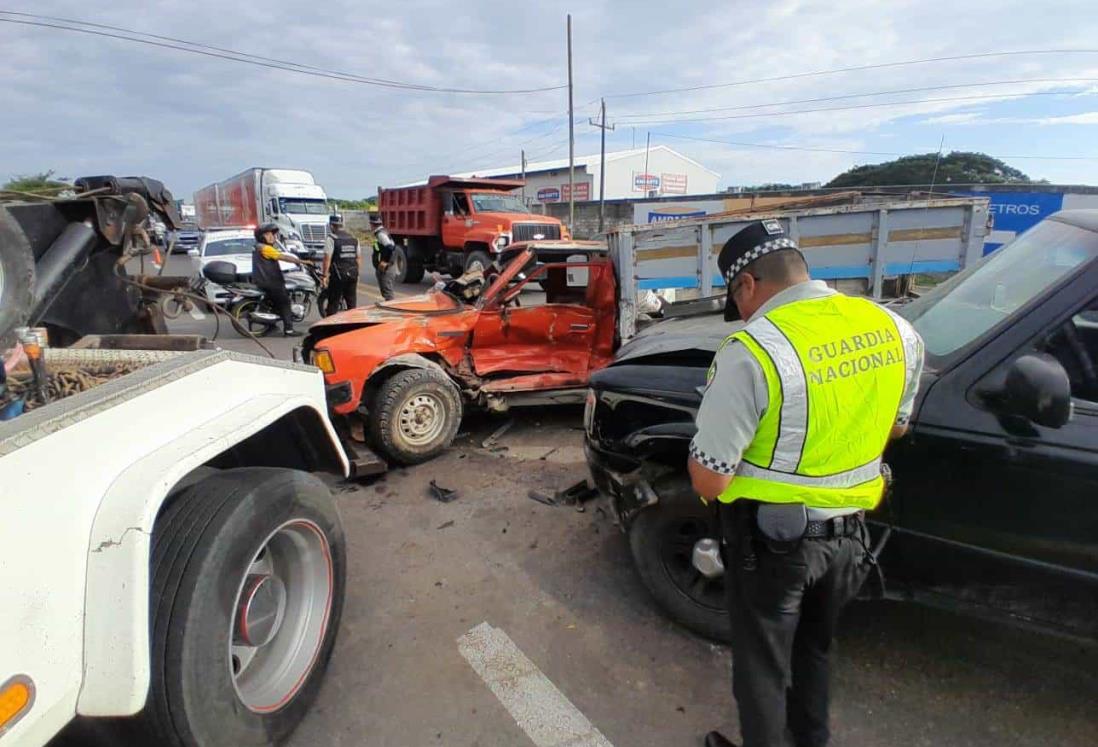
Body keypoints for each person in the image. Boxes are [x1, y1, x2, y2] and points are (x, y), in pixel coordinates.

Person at [689, 220, 923, 747]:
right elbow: (897, 425)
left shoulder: (752, 349)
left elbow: (709, 475)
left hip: (774, 551)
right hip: (851, 543)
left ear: (746, 284)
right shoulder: (895, 328)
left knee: (763, 669)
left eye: (738, 300)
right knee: (815, 650)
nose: (741, 314)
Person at [252, 223, 312, 337]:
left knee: (276, 304)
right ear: (261, 236)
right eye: (268, 234)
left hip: (263, 280)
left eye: (272, 234)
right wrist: (303, 262)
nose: (272, 237)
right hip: (271, 282)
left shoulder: (258, 247)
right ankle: (289, 329)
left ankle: (271, 326)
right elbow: (283, 257)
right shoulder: (265, 248)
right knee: (285, 302)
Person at [322, 213, 360, 315]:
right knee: (352, 303)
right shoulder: (354, 239)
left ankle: (331, 327)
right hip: (353, 274)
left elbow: (327, 259)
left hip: (338, 276)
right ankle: (353, 325)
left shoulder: (331, 239)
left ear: (331, 225)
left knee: (333, 302)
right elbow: (358, 258)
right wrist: (357, 274)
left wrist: (324, 275)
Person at [370, 213, 397, 301]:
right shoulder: (382, 232)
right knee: (386, 293)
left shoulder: (381, 234)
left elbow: (390, 247)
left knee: (388, 294)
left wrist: (384, 261)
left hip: (386, 268)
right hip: (386, 268)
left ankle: (392, 312)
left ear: (371, 224)